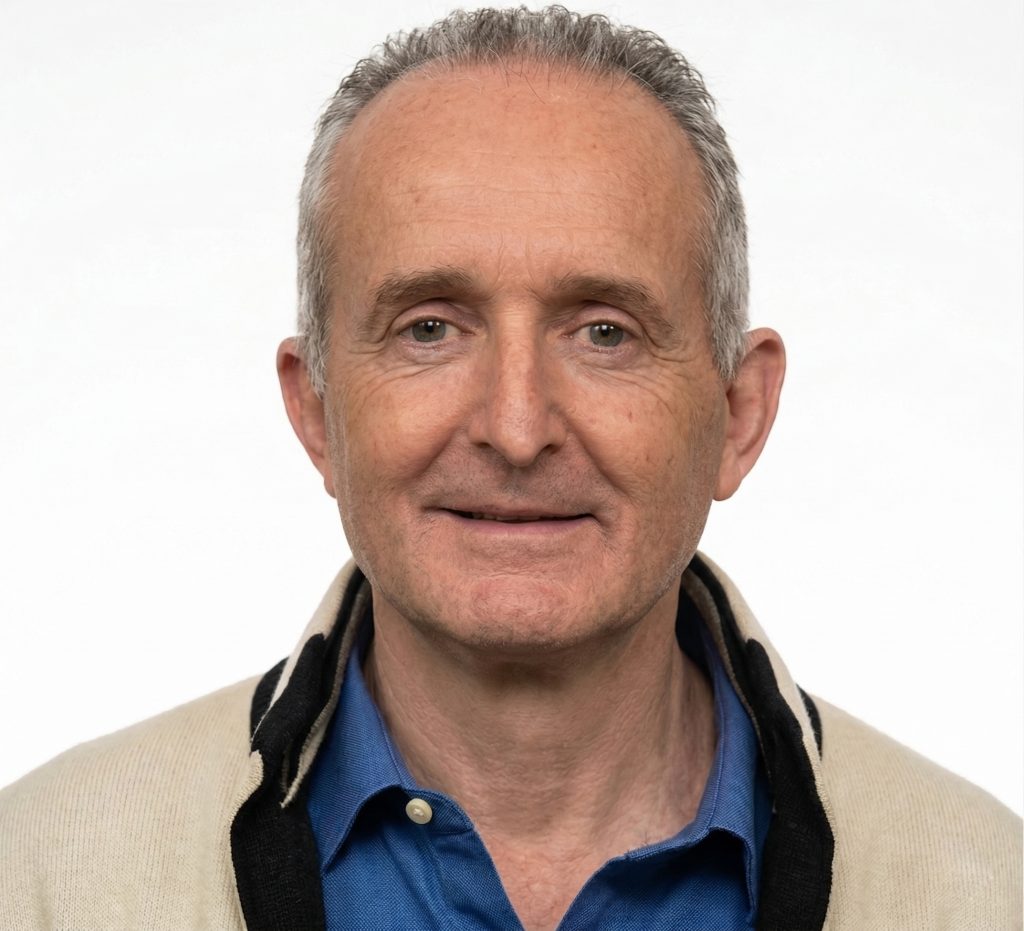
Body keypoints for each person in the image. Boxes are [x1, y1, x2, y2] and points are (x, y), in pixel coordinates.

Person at [0, 6, 1019, 930]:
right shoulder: (42, 880)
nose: (517, 428)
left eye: (605, 332)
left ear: (737, 413)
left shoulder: (987, 893)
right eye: (429, 328)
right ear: (316, 411)